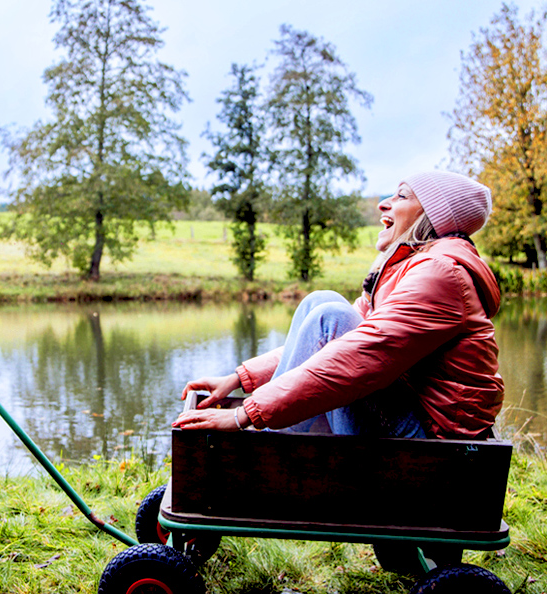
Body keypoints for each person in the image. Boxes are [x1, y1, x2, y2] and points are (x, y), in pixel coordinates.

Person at [175, 171, 502, 439]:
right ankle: (272, 442)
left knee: (331, 316)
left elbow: (363, 352)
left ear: (433, 215)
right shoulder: (417, 266)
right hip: (414, 422)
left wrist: (246, 414)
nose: (384, 205)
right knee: (322, 302)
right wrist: (240, 379)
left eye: (401, 197)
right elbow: (330, 343)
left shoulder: (440, 273)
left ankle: (262, 455)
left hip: (436, 447)